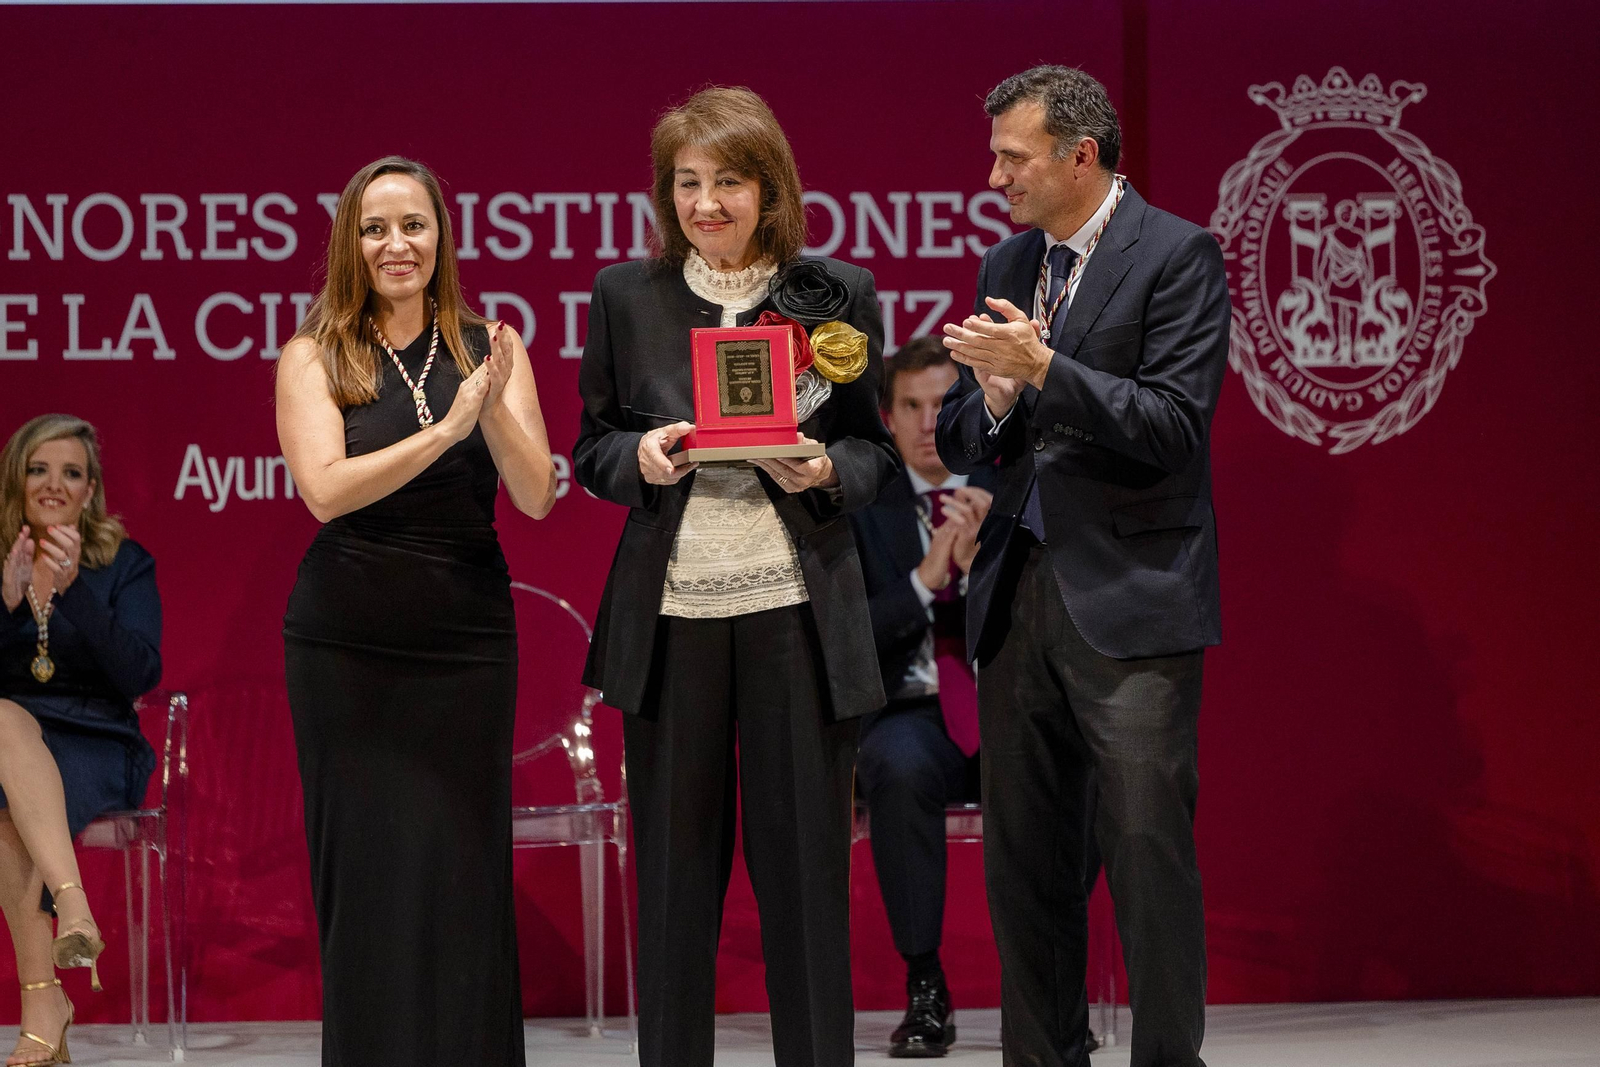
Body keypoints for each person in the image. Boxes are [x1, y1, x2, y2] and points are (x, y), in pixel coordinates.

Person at [574, 87, 898, 1067]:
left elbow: (875, 453)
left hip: (798, 612)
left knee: (805, 877)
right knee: (675, 880)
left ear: (771, 191)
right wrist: (643, 457)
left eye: (727, 182)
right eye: (686, 183)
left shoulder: (835, 291)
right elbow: (592, 446)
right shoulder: (625, 295)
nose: (705, 203)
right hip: (671, 618)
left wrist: (826, 468)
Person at [938, 66, 1230, 1067]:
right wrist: (997, 397)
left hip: (1132, 599)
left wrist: (1044, 371)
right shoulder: (1008, 260)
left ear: (1081, 156)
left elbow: (1173, 424)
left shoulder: (1177, 253)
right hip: (1017, 593)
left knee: (1145, 854)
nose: (994, 177)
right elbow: (961, 433)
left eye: (1011, 158)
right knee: (1025, 865)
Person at [276, 156, 557, 1067]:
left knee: (463, 868)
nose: (396, 244)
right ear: (349, 245)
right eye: (374, 228)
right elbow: (325, 490)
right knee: (367, 873)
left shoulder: (493, 344)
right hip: (346, 640)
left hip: (467, 639)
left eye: (413, 225)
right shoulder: (315, 353)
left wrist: (491, 405)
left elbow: (536, 494)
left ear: (442, 237)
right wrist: (444, 430)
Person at [0, 414, 161, 1067]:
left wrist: (73, 596)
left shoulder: (123, 563)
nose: (53, 484)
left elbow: (140, 673)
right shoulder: (2, 563)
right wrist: (7, 606)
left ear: (89, 490)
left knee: (7, 803)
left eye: (71, 473)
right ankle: (74, 909)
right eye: (38, 469)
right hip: (14, 736)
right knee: (2, 724)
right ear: (17, 479)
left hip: (99, 738)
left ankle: (43, 1006)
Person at [848, 336, 992, 1057]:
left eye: (944, 403)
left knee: (1075, 761)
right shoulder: (859, 505)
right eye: (913, 406)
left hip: (1002, 708)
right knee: (899, 766)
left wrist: (983, 573)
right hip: (908, 710)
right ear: (889, 415)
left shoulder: (1008, 490)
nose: (931, 422)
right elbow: (843, 636)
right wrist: (925, 580)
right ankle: (925, 986)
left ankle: (1050, 984)